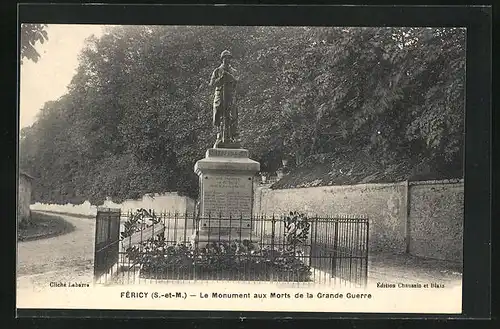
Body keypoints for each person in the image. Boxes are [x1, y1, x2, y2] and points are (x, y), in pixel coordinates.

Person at [209, 50, 239, 146]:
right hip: (220, 94)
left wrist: (230, 77)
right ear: (222, 59)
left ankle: (233, 136)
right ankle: (219, 135)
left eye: (229, 58)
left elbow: (237, 82)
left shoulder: (234, 71)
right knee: (218, 113)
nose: (227, 59)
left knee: (232, 115)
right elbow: (212, 84)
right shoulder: (217, 71)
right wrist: (220, 78)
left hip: (230, 94)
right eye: (225, 57)